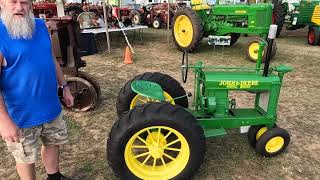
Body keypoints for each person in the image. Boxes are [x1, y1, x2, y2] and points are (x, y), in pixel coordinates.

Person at [0, 0, 74, 179]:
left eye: (24, 2)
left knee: (52, 142)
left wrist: (64, 87)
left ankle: (54, 176)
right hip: (20, 115)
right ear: (2, 3)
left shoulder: (40, 26)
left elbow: (50, 59)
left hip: (50, 106)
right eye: (13, 2)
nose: (19, 7)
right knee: (26, 157)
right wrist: (4, 121)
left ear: (31, 5)